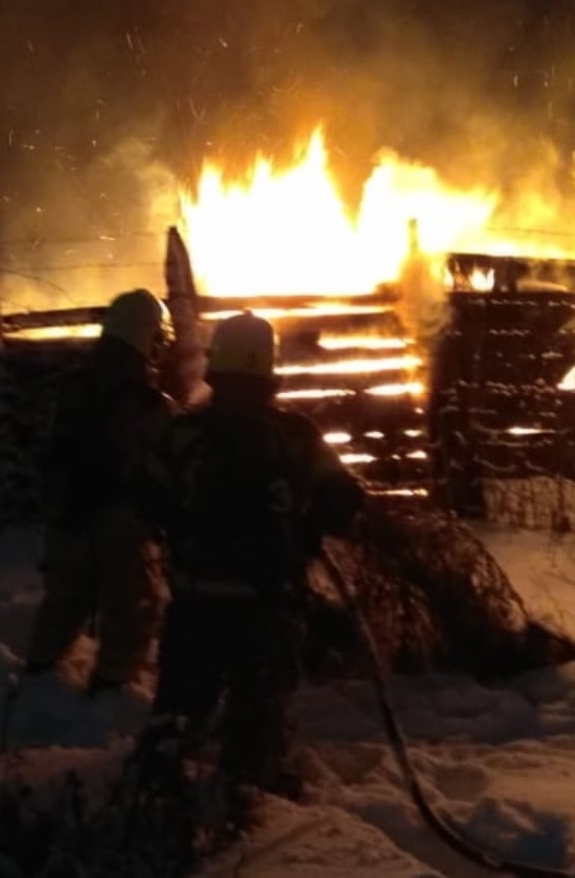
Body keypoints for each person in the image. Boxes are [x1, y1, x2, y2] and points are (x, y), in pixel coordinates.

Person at [141, 311, 364, 796]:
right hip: (268, 603)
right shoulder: (297, 435)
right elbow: (344, 499)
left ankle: (154, 797)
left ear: (215, 366)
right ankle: (250, 799)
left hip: (196, 601)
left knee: (180, 705)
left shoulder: (184, 434)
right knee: (259, 711)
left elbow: (149, 500)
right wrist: (308, 521)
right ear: (268, 369)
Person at [23, 288, 175, 698]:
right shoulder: (150, 404)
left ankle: (34, 681)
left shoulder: (72, 388)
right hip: (121, 523)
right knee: (132, 610)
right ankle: (110, 693)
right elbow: (165, 465)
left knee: (64, 603)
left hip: (67, 516)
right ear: (149, 338)